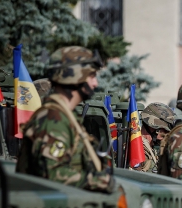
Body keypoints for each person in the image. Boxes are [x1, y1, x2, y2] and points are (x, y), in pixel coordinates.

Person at [17, 46, 114, 192]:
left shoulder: (66, 117)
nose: (96, 83)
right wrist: (100, 181)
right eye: (92, 76)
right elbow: (52, 174)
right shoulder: (53, 119)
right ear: (74, 76)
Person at [135, 102, 175, 174]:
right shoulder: (138, 150)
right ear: (154, 128)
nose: (166, 134)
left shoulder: (150, 148)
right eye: (165, 130)